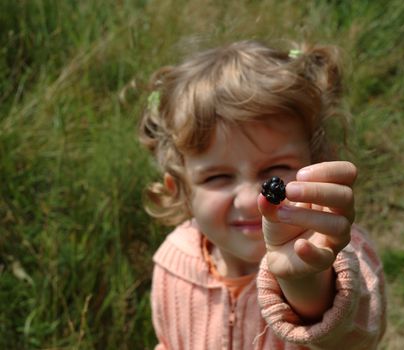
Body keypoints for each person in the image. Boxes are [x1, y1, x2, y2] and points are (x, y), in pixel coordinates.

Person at [139, 40, 386, 350]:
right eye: (217, 177)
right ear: (182, 191)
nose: (249, 200)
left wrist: (305, 280)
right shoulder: (173, 263)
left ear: (319, 164)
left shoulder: (336, 253)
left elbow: (352, 339)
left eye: (276, 171)